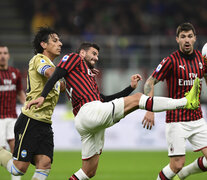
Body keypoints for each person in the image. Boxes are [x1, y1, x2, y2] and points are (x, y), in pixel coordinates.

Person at [26, 42, 200, 180]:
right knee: (140, 99)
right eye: (93, 53)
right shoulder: (72, 58)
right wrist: (43, 95)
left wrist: (129, 88)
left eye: (97, 55)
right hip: (89, 112)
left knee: (88, 171)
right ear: (82, 53)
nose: (96, 57)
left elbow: (105, 99)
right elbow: (56, 74)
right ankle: (185, 102)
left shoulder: (88, 77)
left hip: (89, 117)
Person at [142, 22, 207, 180]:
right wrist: (149, 109)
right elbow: (149, 83)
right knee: (177, 164)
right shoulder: (170, 61)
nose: (186, 40)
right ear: (177, 39)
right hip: (176, 120)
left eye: (190, 36)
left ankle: (185, 173)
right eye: (183, 36)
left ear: (194, 39)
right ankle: (180, 171)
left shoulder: (202, 59)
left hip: (197, 118)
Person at [0, 27, 64, 180]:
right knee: (18, 169)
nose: (60, 43)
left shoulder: (54, 69)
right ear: (43, 45)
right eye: (55, 40)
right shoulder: (39, 59)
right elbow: (50, 73)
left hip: (45, 123)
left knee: (45, 163)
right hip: (31, 120)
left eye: (59, 40)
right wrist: (67, 70)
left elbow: (61, 86)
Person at [0, 45, 26, 180]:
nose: (3, 55)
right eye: (0, 53)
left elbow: (20, 93)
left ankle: (16, 179)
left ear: (8, 56)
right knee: (0, 152)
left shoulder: (15, 72)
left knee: (15, 149)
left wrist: (28, 105)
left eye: (5, 53)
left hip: (12, 117)